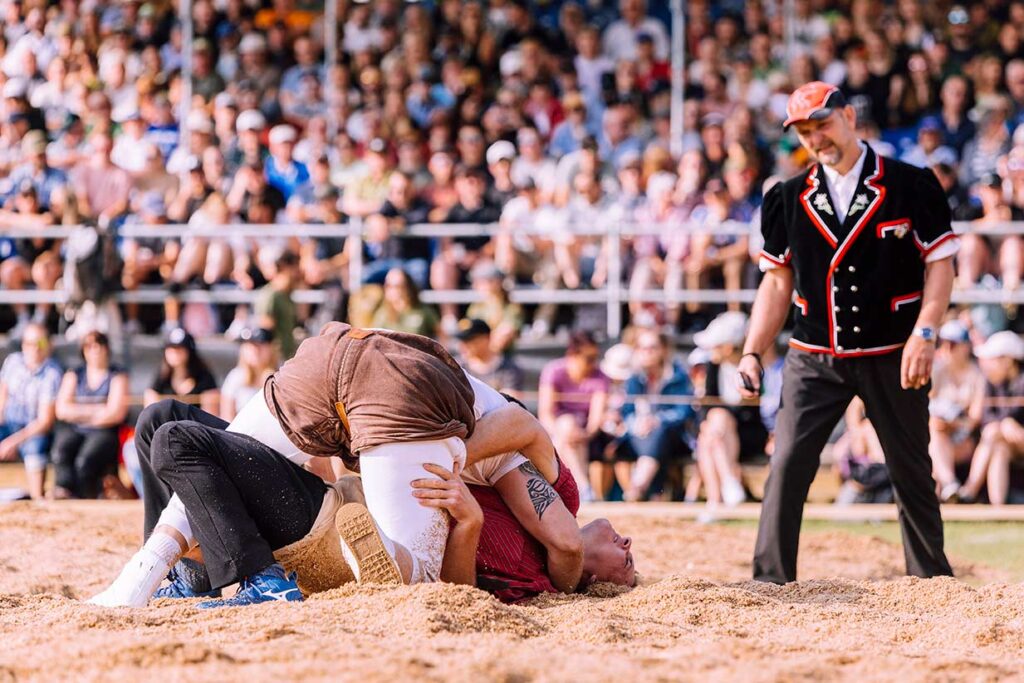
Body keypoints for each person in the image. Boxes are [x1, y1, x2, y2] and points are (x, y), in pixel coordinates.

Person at [89, 323, 555, 607]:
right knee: (159, 419)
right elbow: (530, 436)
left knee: (179, 443)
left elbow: (569, 545)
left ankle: (237, 577)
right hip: (355, 381)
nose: (625, 544)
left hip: (357, 393)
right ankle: (186, 574)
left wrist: (466, 506)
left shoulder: (531, 543)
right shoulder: (541, 492)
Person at [740, 82, 956, 584]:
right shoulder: (787, 197)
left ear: (850, 116)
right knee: (788, 464)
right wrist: (753, 351)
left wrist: (926, 332)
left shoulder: (912, 184)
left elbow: (942, 267)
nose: (817, 139)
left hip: (893, 351)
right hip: (814, 354)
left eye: (823, 125)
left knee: (911, 470)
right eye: (806, 132)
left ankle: (932, 583)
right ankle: (769, 582)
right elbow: (776, 284)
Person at [693, 312, 768, 512]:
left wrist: (720, 419)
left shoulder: (753, 369)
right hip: (720, 435)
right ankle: (726, 486)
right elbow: (707, 404)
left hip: (747, 434)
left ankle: (716, 498)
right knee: (710, 434)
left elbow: (750, 410)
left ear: (728, 347)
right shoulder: (712, 368)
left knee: (714, 427)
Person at [619, 328, 696, 502]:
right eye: (642, 348)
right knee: (648, 435)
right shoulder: (633, 379)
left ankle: (638, 488)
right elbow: (626, 413)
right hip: (638, 436)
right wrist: (638, 424)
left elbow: (684, 412)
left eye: (652, 347)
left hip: (672, 436)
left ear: (663, 350)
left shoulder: (678, 376)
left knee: (658, 433)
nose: (647, 352)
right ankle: (650, 494)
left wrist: (657, 420)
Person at [51, 331, 129, 499]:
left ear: (106, 348)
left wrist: (78, 411)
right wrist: (97, 411)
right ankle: (64, 491)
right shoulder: (74, 374)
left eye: (98, 345)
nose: (94, 350)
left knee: (85, 460)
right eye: (89, 346)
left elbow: (115, 414)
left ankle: (86, 498)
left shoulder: (117, 375)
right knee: (61, 451)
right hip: (78, 429)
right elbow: (61, 410)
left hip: (105, 432)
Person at [539, 331, 610, 502]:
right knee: (566, 425)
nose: (593, 363)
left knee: (569, 432)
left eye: (595, 357)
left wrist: (583, 435)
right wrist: (563, 433)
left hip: (583, 435)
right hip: (557, 431)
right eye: (589, 358)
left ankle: (580, 489)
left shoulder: (600, 377)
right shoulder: (554, 371)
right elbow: (545, 414)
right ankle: (583, 488)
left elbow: (595, 419)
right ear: (572, 355)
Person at [958, 331, 1024, 505]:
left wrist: (1007, 425)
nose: (987, 365)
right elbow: (987, 419)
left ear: (1008, 361)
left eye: (993, 359)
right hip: (1003, 442)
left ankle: (969, 490)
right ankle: (997, 507)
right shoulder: (990, 383)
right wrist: (1004, 425)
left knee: (994, 432)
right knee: (999, 448)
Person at [0, 323, 62, 499]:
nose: (34, 348)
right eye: (29, 343)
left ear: (48, 345)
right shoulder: (12, 361)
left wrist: (12, 442)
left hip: (33, 429)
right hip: (8, 423)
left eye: (40, 343)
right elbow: (2, 398)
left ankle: (37, 500)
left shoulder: (52, 372)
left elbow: (44, 422)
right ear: (23, 345)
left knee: (34, 447)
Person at [928, 320, 985, 502]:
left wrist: (954, 424)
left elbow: (974, 419)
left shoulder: (977, 376)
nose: (946, 348)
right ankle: (949, 485)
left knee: (934, 442)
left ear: (965, 347)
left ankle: (945, 487)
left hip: (964, 439)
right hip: (938, 436)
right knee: (935, 435)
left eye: (952, 344)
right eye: (943, 343)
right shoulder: (937, 371)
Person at [143, 328, 220, 416]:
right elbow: (151, 411)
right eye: (170, 348)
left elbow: (210, 416)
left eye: (179, 349)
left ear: (189, 351)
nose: (174, 353)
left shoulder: (204, 378)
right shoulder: (161, 377)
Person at [220, 327, 279, 422]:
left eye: (260, 345)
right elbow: (226, 417)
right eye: (250, 345)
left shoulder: (281, 376)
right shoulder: (235, 377)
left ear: (271, 348)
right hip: (238, 433)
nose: (255, 350)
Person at [454, 318, 524, 395]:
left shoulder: (509, 369)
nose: (463, 345)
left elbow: (510, 400)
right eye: (462, 341)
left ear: (486, 338)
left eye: (469, 340)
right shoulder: (456, 367)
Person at [370, 267, 440, 338]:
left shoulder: (423, 311)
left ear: (408, 286)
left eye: (398, 286)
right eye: (389, 286)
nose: (394, 290)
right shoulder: (382, 314)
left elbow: (441, 334)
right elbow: (375, 339)